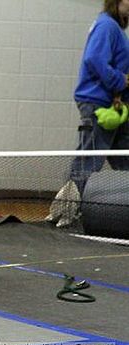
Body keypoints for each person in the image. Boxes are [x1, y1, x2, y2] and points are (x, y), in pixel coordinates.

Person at [48, 0, 129, 226]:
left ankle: (67, 210)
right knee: (88, 161)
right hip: (98, 104)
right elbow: (94, 59)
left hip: (113, 105)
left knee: (122, 159)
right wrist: (120, 81)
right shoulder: (107, 26)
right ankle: (65, 211)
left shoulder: (112, 27)